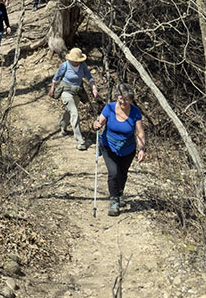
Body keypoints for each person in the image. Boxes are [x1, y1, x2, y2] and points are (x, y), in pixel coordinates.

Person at [92, 83, 147, 216]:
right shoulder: (109, 108)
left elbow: (139, 132)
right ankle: (114, 201)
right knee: (113, 172)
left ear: (132, 99)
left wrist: (142, 149)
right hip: (108, 145)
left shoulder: (135, 112)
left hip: (127, 148)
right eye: (120, 98)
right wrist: (96, 124)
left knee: (122, 173)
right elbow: (100, 121)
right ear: (117, 97)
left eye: (127, 99)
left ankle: (120, 193)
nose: (123, 101)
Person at [49, 47, 99, 150]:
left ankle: (62, 126)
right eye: (74, 61)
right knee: (75, 113)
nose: (76, 63)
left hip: (77, 92)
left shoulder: (83, 66)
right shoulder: (65, 66)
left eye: (77, 61)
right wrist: (52, 89)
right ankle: (80, 141)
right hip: (66, 91)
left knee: (70, 111)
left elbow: (90, 77)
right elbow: (56, 78)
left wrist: (94, 88)